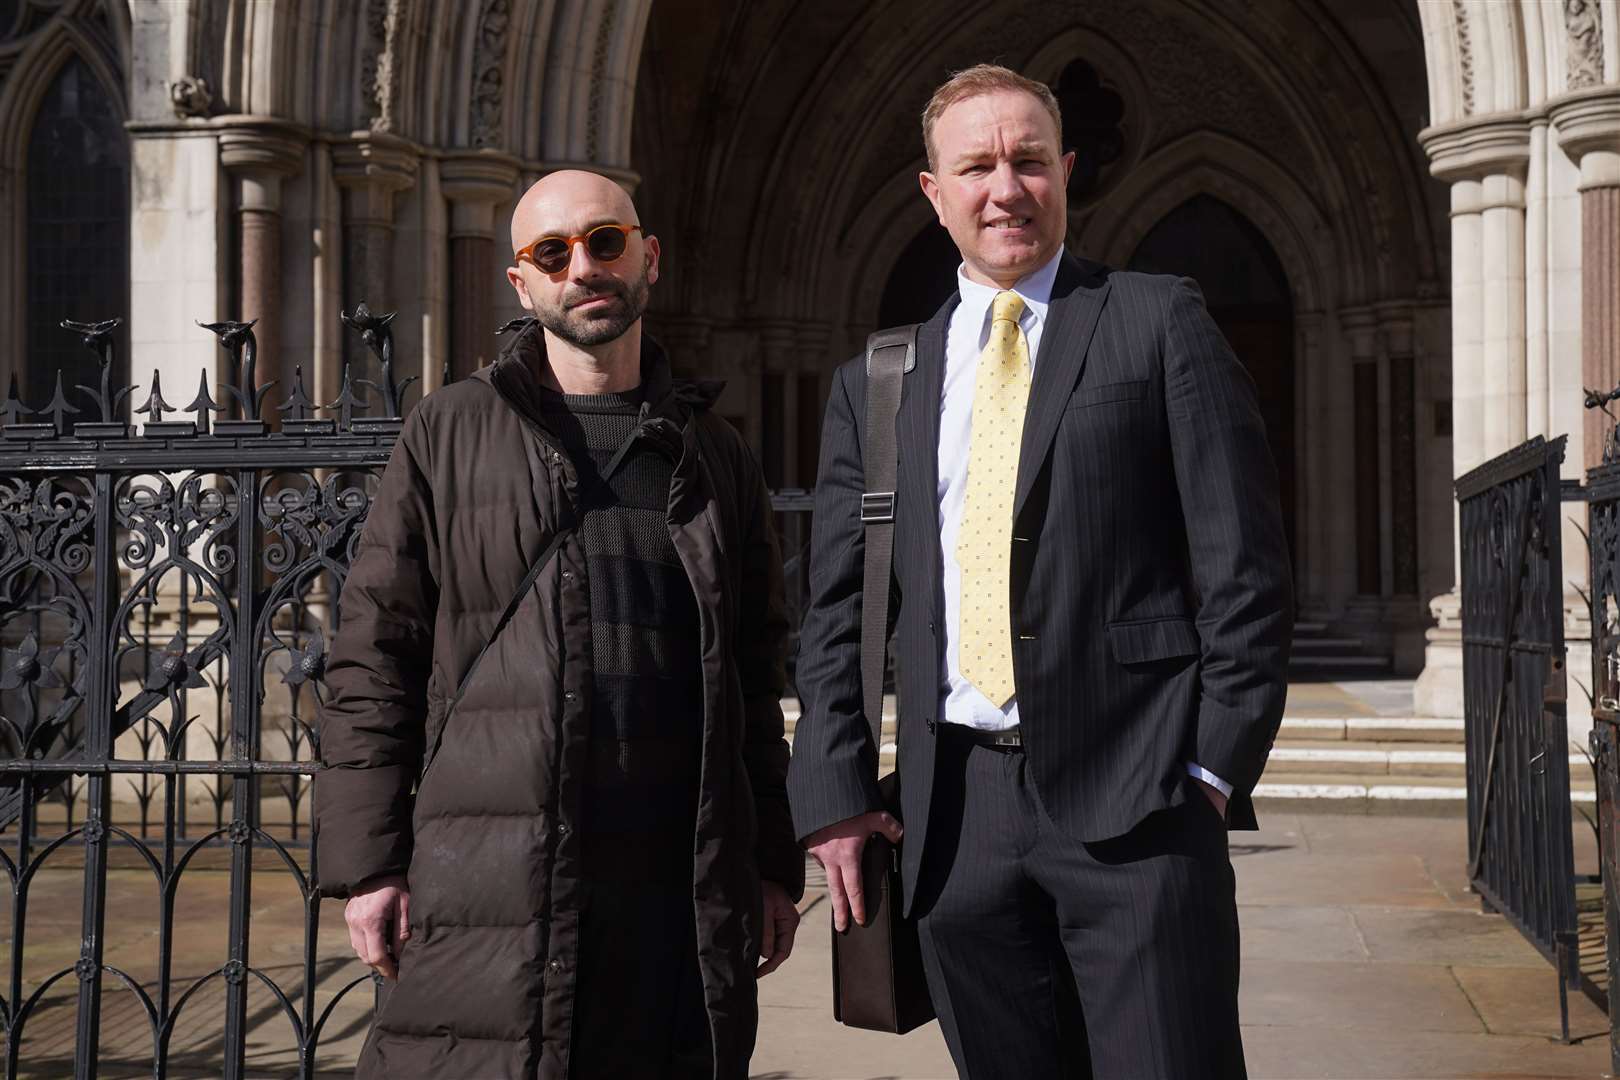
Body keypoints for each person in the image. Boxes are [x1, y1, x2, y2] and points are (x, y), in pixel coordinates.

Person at [788, 64, 1293, 1079]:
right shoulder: (878, 383)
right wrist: (833, 793)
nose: (1004, 189)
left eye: (1027, 160)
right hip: (954, 818)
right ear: (933, 193)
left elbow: (1245, 566)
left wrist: (1211, 769)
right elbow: (836, 612)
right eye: (975, 166)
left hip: (1140, 807)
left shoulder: (1158, 320)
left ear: (1066, 172)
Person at [315, 169, 803, 1080]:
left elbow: (752, 676)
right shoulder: (449, 431)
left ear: (647, 256)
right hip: (494, 878)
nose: (584, 267)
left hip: (676, 891)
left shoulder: (716, 454)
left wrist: (771, 860)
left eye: (605, 241)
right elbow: (375, 656)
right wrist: (370, 863)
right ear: (522, 283)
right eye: (553, 252)